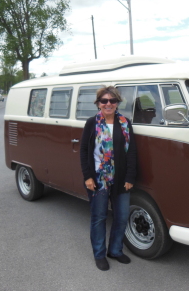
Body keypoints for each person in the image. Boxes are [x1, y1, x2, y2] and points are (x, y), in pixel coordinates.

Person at [80, 86, 137, 271]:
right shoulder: (92, 123)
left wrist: (130, 176)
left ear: (117, 103)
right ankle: (99, 254)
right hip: (98, 178)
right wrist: (88, 176)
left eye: (112, 101)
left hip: (121, 178)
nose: (108, 104)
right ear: (98, 103)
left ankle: (115, 250)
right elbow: (84, 151)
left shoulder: (125, 123)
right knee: (99, 217)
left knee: (121, 217)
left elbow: (132, 152)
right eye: (104, 101)